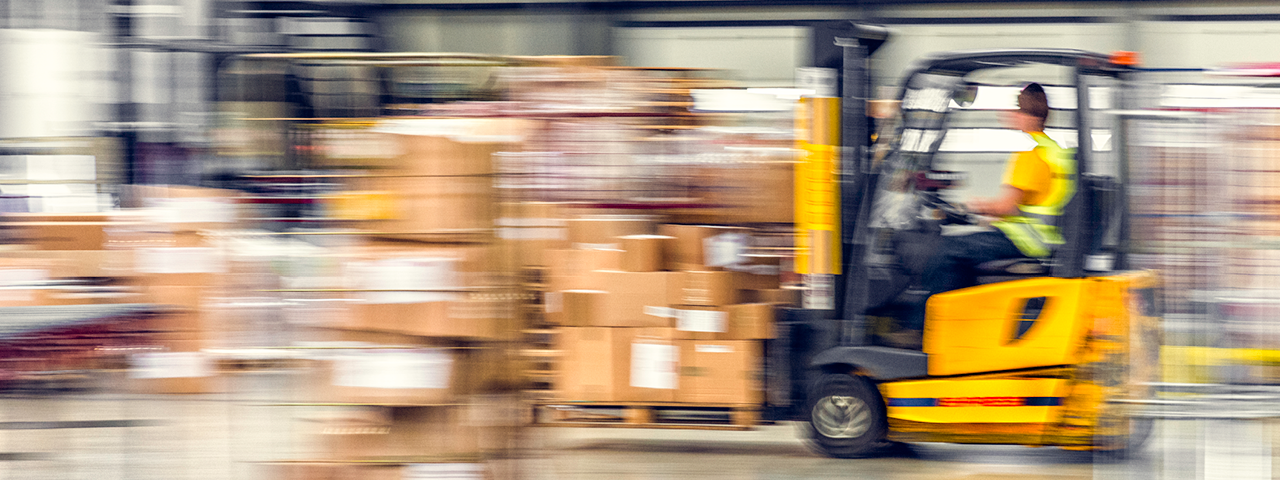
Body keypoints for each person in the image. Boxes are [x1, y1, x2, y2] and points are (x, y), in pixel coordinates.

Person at [895, 82, 1076, 347]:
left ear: (1024, 115)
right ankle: (959, 329)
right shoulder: (1055, 151)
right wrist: (986, 216)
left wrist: (970, 207)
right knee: (964, 251)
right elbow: (1037, 202)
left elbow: (1005, 206)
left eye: (1015, 110)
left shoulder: (1030, 155)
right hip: (1043, 240)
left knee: (946, 252)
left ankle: (918, 330)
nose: (1009, 115)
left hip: (1024, 242)